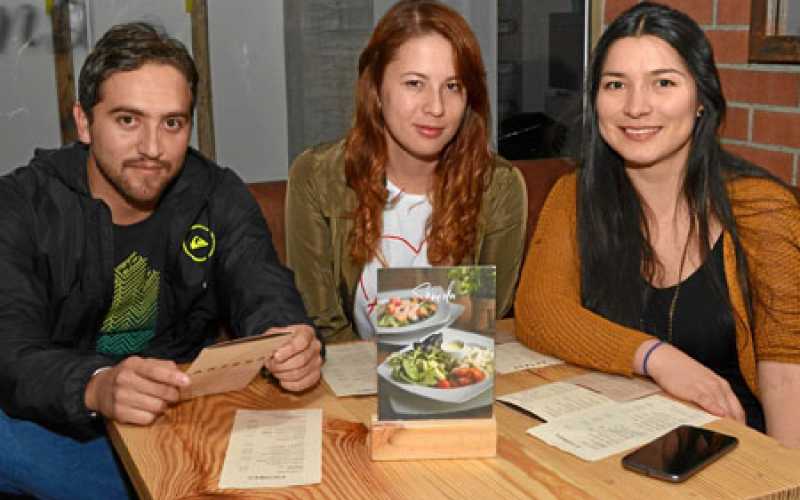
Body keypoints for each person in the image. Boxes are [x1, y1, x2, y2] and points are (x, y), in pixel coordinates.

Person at [0, 22, 323, 499]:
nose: (153, 148)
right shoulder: (22, 205)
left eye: (172, 122)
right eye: (128, 120)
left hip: (180, 417)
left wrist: (288, 337)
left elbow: (260, 282)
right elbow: (11, 350)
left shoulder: (215, 193)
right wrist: (96, 385)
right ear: (85, 122)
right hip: (61, 426)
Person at [514, 2, 800, 447]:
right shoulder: (575, 195)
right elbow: (540, 312)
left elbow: (786, 378)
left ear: (702, 100)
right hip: (611, 447)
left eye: (663, 83)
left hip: (735, 453)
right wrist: (657, 358)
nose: (635, 106)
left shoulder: (763, 210)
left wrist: (784, 481)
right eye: (615, 85)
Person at [286, 0, 527, 342]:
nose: (436, 107)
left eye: (453, 86)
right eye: (415, 83)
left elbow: (484, 323)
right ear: (376, 90)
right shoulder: (318, 176)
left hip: (451, 376)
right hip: (351, 378)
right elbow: (323, 323)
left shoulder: (497, 186)